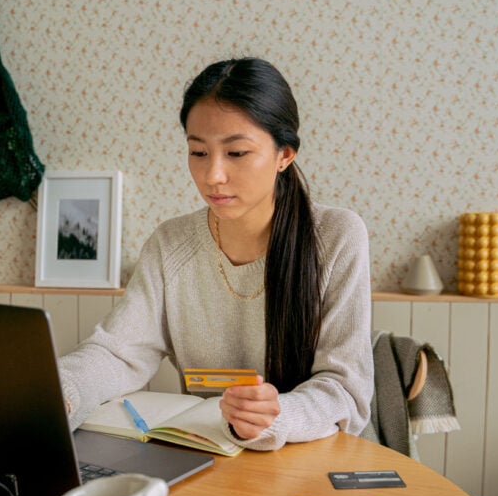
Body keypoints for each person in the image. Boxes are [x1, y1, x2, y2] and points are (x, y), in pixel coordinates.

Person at [57, 57, 374, 451]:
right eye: (199, 153)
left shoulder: (337, 237)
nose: (213, 176)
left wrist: (276, 417)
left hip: (317, 460)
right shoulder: (170, 243)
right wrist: (60, 391)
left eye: (237, 153)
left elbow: (345, 389)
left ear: (284, 155)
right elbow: (118, 354)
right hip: (214, 461)